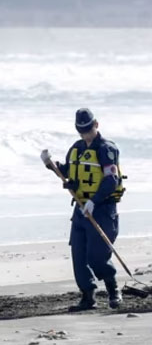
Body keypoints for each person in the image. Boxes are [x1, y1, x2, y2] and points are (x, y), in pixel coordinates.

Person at [41, 108, 125, 311]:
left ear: (96, 125)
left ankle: (114, 291)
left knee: (96, 256)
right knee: (78, 255)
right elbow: (69, 172)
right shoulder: (76, 148)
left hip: (102, 209)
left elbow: (111, 180)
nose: (85, 134)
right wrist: (50, 164)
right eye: (81, 131)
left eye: (88, 129)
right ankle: (88, 297)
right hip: (80, 209)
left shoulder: (106, 149)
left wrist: (94, 201)